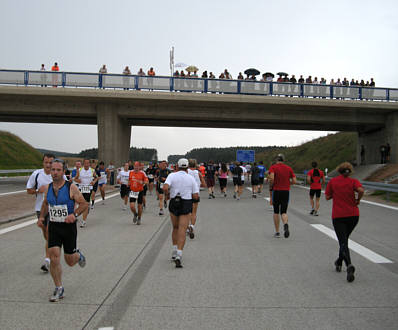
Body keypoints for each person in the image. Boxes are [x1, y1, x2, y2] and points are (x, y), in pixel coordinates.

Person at [37, 158, 88, 302]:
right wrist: (41, 218)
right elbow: (46, 204)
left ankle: (78, 256)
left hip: (68, 227)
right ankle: (59, 288)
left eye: (58, 170)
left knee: (70, 261)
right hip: (54, 226)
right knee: (53, 257)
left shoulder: (71, 187)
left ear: (63, 171)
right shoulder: (48, 188)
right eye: (53, 170)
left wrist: (74, 214)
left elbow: (84, 204)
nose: (55, 173)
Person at [325, 162, 364, 282]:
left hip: (339, 216)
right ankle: (339, 261)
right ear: (349, 171)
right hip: (353, 215)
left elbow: (327, 197)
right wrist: (357, 200)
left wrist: (335, 194)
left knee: (342, 241)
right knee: (344, 239)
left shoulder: (333, 182)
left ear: (339, 170)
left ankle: (349, 265)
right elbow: (361, 190)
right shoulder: (353, 181)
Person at [163, 158, 199, 268]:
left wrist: (167, 195)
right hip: (186, 202)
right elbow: (196, 195)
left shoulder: (172, 175)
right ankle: (179, 254)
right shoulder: (191, 178)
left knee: (175, 227)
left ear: (177, 166)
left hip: (174, 201)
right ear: (187, 167)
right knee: (182, 229)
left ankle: (174, 251)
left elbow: (165, 187)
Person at [26, 153, 55, 272]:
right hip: (40, 209)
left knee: (49, 231)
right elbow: (28, 190)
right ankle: (53, 248)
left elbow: (68, 188)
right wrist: (38, 190)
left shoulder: (58, 174)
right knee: (46, 234)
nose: (48, 165)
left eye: (50, 162)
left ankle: (47, 260)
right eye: (46, 162)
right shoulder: (36, 174)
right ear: (43, 163)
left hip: (54, 208)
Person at [268, 154, 296, 238]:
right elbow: (294, 181)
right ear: (283, 160)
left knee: (276, 211)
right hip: (286, 192)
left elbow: (272, 178)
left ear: (277, 160)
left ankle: (277, 232)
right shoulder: (289, 168)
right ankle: (286, 224)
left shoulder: (273, 167)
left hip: (276, 191)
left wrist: (271, 185)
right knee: (284, 212)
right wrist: (288, 183)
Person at [74, 158, 98, 227]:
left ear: (89, 164)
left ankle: (83, 221)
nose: (86, 164)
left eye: (88, 163)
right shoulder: (80, 170)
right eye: (85, 163)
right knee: (82, 204)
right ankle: (76, 215)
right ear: (83, 164)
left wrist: (94, 181)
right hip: (81, 189)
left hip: (88, 189)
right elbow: (75, 178)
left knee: (86, 204)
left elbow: (96, 178)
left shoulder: (92, 170)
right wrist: (77, 181)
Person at [187, 159, 205, 239]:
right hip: (196, 194)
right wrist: (198, 185)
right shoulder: (198, 173)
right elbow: (204, 184)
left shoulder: (186, 172)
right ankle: (192, 226)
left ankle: (187, 227)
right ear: (195, 165)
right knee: (194, 212)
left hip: (186, 194)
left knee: (187, 212)